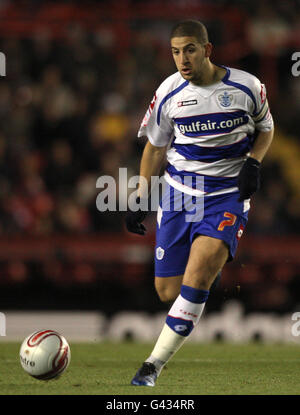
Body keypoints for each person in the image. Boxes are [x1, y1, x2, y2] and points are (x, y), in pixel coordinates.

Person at [125, 19, 274, 387]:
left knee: (197, 277)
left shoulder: (247, 87)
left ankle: (151, 367)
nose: (182, 59)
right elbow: (156, 147)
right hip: (179, 195)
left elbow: (266, 128)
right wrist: (141, 194)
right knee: (167, 292)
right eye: (176, 51)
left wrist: (253, 162)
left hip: (226, 197)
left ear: (207, 50)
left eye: (189, 49)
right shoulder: (169, 93)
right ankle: (207, 268)